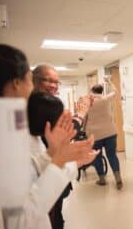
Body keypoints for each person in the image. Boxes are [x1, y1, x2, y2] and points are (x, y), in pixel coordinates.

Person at [0, 44, 97, 229]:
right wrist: (59, 160)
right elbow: (20, 219)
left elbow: (28, 166)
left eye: (56, 82)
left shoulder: (11, 121)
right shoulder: (8, 129)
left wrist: (61, 158)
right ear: (16, 83)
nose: (52, 85)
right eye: (29, 80)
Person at [32, 64, 92, 229]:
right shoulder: (35, 107)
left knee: (56, 215)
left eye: (56, 82)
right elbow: (62, 132)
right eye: (49, 80)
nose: (53, 85)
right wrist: (80, 115)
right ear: (33, 81)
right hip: (43, 179)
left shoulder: (46, 104)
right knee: (52, 216)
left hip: (51, 170)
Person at [86, 77, 123, 189]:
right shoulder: (106, 99)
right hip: (110, 132)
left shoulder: (88, 102)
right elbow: (116, 91)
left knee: (97, 156)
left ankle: (102, 179)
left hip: (94, 134)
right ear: (101, 91)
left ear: (92, 91)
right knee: (112, 155)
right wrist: (109, 81)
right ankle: (118, 178)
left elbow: (83, 117)